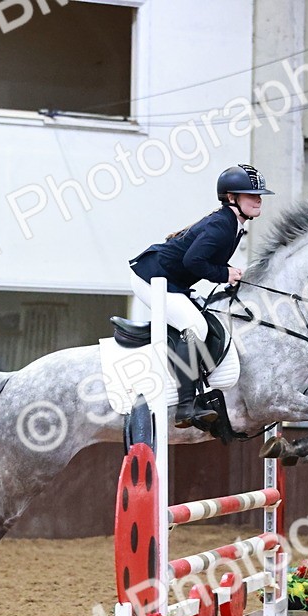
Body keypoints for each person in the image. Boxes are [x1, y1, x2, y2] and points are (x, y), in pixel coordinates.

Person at [129, 164, 274, 429]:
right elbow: (193, 260)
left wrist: (226, 274)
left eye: (259, 194)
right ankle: (185, 407)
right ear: (232, 198)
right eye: (250, 194)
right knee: (194, 326)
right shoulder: (222, 226)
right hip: (151, 279)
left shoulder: (231, 224)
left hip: (169, 280)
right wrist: (224, 274)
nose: (258, 199)